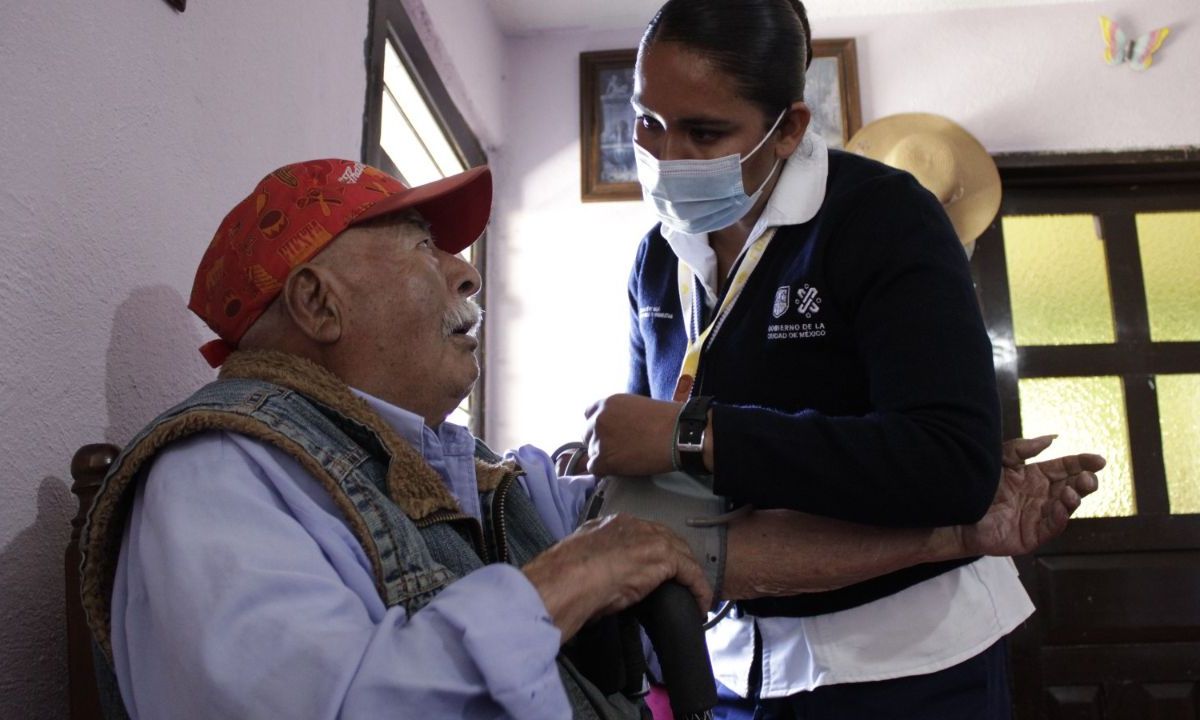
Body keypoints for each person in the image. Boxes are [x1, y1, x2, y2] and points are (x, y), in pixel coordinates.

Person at [78, 158, 1098, 720]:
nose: (468, 274)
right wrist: (562, 583)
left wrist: (951, 520)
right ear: (316, 301)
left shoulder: (463, 478)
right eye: (426, 248)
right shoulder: (221, 474)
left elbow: (718, 541)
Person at [582, 0, 1100, 718]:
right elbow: (662, 482)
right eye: (646, 122)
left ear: (789, 127)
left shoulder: (883, 218)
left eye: (705, 133)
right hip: (737, 668)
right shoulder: (656, 260)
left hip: (908, 662)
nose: (666, 159)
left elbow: (949, 464)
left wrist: (698, 434)